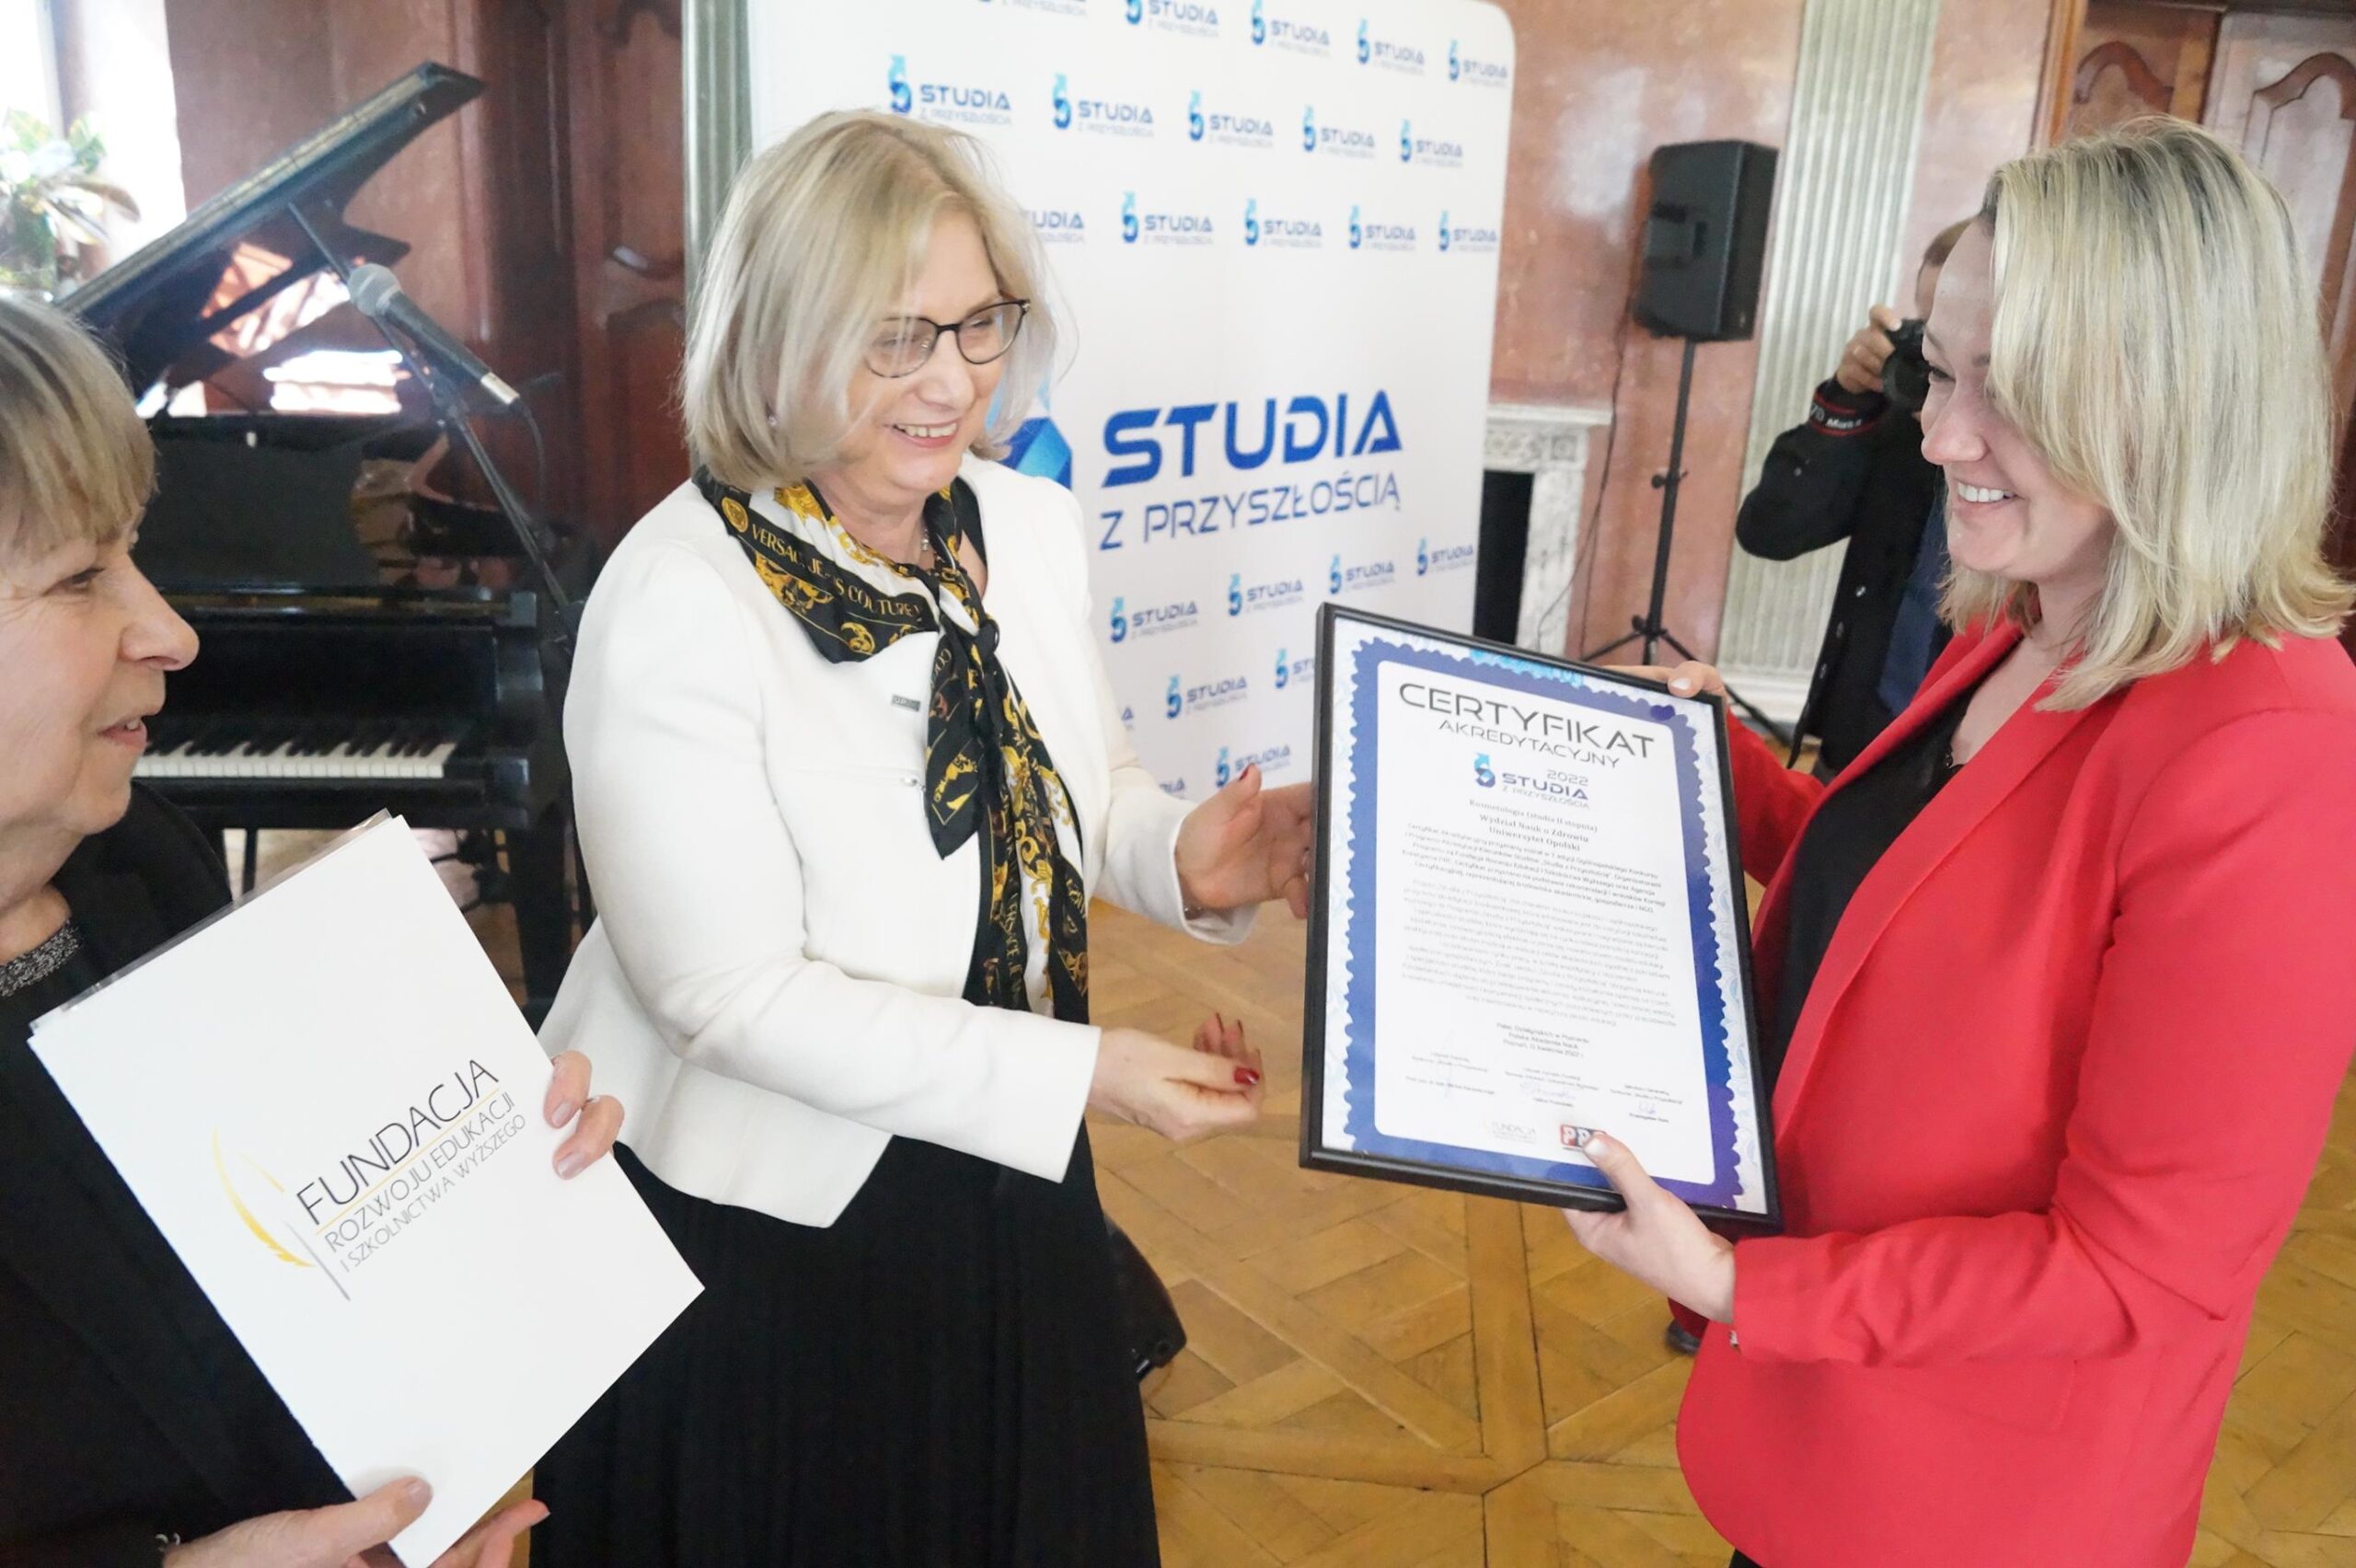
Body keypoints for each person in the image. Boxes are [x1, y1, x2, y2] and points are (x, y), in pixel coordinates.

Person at [531, 110, 1312, 1568]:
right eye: (897, 337)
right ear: (781, 334)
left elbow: (1086, 786)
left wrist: (1186, 858)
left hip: (1006, 1165)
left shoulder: (1024, 525)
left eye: (979, 323)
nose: (952, 380)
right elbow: (724, 998)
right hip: (778, 1226)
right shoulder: (678, 595)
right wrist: (1091, 1071)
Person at [1569, 121, 2356, 1566]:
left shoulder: (2270, 742)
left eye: (2013, 389)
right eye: (1939, 371)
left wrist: (1750, 1292)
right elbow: (1917, 906)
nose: (1939, 438)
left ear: (2181, 398)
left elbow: (2139, 1269)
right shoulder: (2033, 614)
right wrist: (1710, 770)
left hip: (1973, 1500)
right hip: (1821, 1429)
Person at [0, 296, 626, 1564]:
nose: (173, 633)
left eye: (134, 554)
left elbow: (262, 1295)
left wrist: (487, 1207)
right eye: (79, 577)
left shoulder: (145, 867)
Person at [1735, 219, 1974, 777]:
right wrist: (1847, 399)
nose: (1934, 364)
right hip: (1856, 740)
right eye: (1926, 333)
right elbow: (1770, 531)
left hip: (1960, 759)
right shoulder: (1900, 425)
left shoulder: (2052, 473)